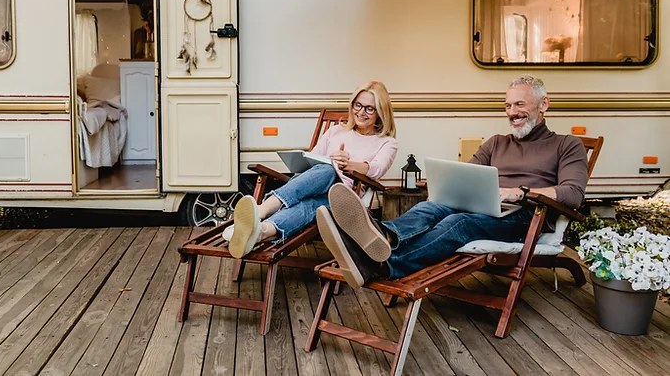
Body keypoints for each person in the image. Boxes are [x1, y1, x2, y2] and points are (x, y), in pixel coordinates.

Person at [317, 74, 588, 288]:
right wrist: (442, 182)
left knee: (458, 223)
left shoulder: (566, 145)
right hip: (486, 207)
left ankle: (385, 265)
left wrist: (521, 192)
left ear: (544, 104)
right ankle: (382, 234)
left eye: (519, 104)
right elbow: (468, 173)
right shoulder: (496, 143)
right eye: (507, 105)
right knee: (431, 207)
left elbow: (573, 194)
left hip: (524, 217)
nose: (512, 112)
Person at [227, 80, 398, 259]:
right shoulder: (336, 131)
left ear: (380, 112)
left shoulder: (386, 142)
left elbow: (377, 169)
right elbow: (314, 158)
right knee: (311, 202)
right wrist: (319, 161)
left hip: (344, 199)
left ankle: (261, 211)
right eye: (358, 105)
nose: (361, 112)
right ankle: (260, 233)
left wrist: (346, 165)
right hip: (314, 187)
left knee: (328, 171)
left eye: (369, 108)